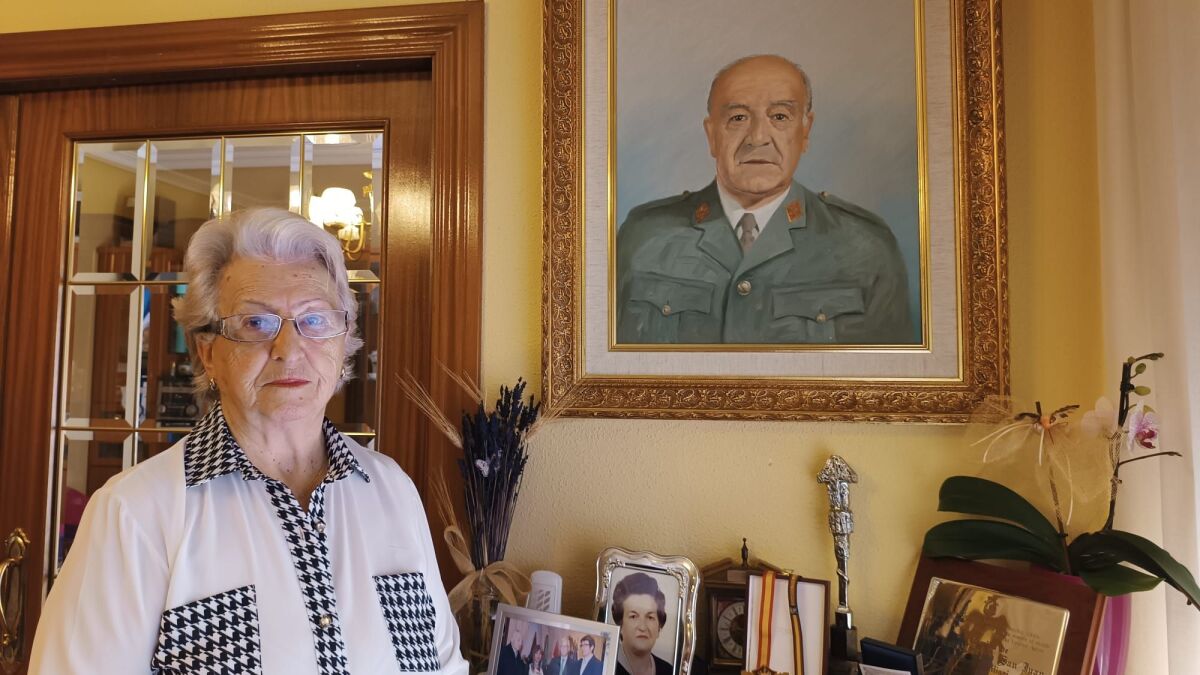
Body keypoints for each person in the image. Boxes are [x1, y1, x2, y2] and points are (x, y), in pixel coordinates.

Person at [29, 208, 467, 674]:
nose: (289, 350)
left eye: (314, 319)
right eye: (256, 323)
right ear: (207, 352)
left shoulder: (392, 491)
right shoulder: (135, 512)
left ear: (343, 342)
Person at [616, 54, 914, 345]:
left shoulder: (865, 247)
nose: (758, 137)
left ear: (805, 132)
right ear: (711, 135)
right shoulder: (644, 239)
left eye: (780, 116)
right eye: (738, 118)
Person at [612, 573, 673, 675]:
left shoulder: (669, 671)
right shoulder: (604, 667)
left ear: (659, 627)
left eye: (650, 617)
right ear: (620, 625)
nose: (642, 627)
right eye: (633, 616)